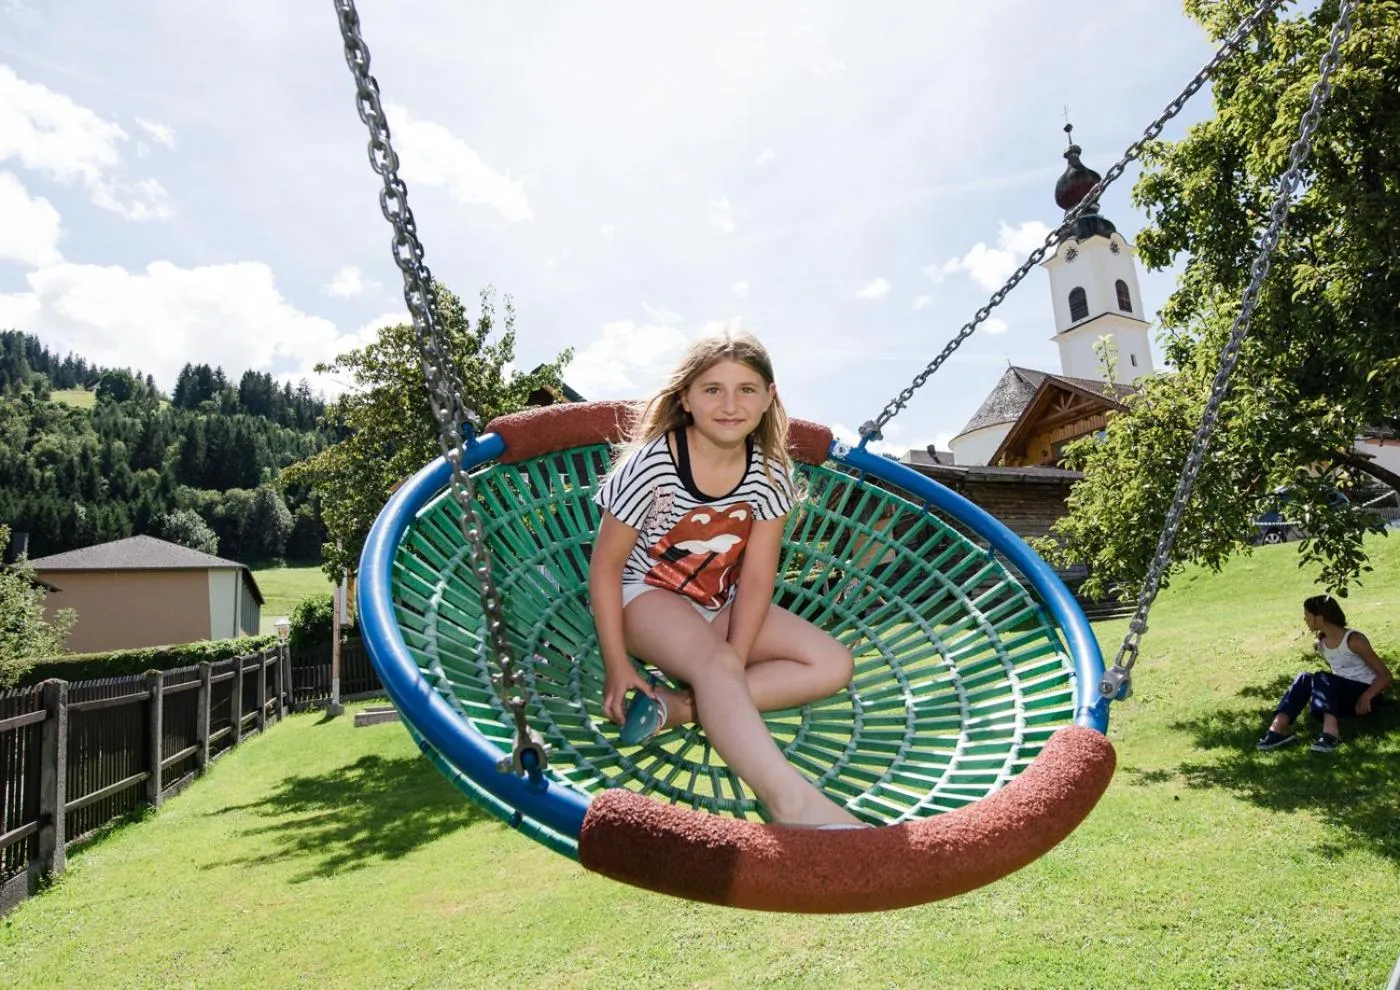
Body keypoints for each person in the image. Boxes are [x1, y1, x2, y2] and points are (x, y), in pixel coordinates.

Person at [589, 327, 865, 828]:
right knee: (717, 662)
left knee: (832, 663)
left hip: (718, 601)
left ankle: (680, 708)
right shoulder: (652, 464)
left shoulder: (770, 473)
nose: (730, 404)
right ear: (686, 398)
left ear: (768, 399)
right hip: (644, 597)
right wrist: (614, 662)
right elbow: (606, 567)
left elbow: (758, 576)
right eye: (713, 389)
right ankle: (790, 803)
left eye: (746, 390)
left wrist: (735, 658)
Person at [1256, 594, 1393, 753]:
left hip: (1367, 696)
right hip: (1343, 693)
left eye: (1307, 615)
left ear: (1319, 618)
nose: (1305, 619)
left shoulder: (1354, 641)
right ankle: (1276, 731)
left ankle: (1330, 735)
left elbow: (1386, 676)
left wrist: (1366, 697)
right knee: (1304, 677)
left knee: (1322, 676)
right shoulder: (1322, 643)